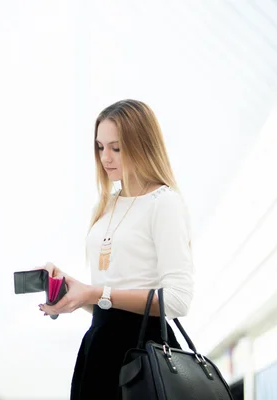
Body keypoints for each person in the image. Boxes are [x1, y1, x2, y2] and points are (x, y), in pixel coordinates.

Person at [39, 99, 194, 399]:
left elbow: (178, 300)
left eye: (116, 148)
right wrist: (75, 292)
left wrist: (96, 293)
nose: (105, 158)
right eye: (100, 147)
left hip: (141, 355)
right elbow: (110, 301)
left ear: (142, 144)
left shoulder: (164, 203)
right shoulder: (107, 207)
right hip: (100, 349)